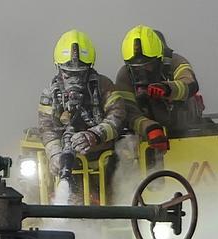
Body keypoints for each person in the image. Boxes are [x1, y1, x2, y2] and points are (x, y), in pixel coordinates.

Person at [37, 30, 131, 202]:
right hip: (69, 163)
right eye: (68, 73)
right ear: (58, 67)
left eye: (80, 73)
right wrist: (55, 155)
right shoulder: (50, 95)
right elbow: (46, 128)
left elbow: (118, 115)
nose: (74, 79)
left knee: (128, 156)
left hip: (104, 160)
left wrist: (94, 135)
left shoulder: (104, 86)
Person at [112, 26, 207, 141]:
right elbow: (129, 112)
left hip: (190, 129)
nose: (143, 71)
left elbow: (190, 84)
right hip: (150, 135)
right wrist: (150, 129)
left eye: (148, 64)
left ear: (159, 59)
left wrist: (168, 89)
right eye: (136, 67)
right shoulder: (124, 75)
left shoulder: (176, 62)